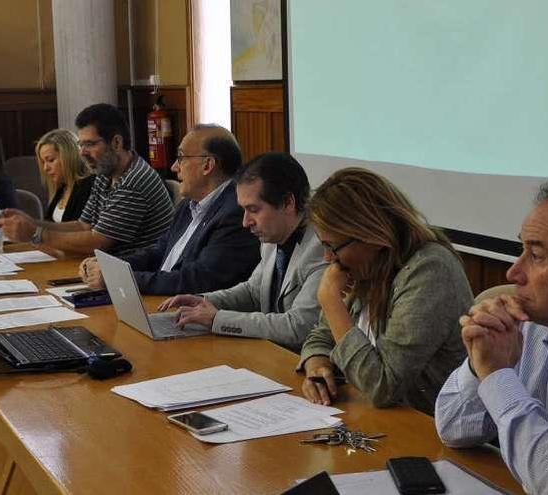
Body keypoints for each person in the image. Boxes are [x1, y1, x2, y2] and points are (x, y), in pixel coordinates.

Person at [435, 175, 548, 494]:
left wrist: (497, 374)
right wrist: (480, 364)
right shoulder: (530, 326)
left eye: (536, 256)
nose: (513, 273)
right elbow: (452, 426)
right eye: (521, 251)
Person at [297, 168, 472, 415]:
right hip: (372, 418)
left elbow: (384, 386)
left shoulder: (429, 271)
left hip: (429, 428)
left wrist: (330, 301)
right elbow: (322, 337)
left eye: (332, 246)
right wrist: (317, 365)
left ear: (371, 236)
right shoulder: (364, 268)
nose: (328, 258)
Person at [159, 152, 324, 352]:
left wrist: (217, 319)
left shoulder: (322, 247)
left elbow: (299, 327)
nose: (245, 222)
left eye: (253, 210)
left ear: (288, 203)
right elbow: (254, 292)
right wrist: (204, 301)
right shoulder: (273, 233)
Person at [77, 124, 259, 295]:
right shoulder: (189, 205)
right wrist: (110, 267)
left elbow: (198, 280)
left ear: (207, 165)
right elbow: (158, 252)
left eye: (181, 158)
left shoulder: (235, 212)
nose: (174, 167)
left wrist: (119, 279)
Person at [0, 103, 174, 256]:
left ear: (116, 143)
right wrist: (31, 222)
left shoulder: (134, 181)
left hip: (139, 278)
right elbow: (83, 226)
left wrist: (35, 233)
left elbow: (97, 242)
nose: (82, 152)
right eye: (80, 145)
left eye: (90, 144)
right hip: (109, 272)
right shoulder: (104, 173)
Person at [36, 128, 94, 222]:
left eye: (50, 160)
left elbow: (79, 230)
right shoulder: (62, 187)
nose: (45, 168)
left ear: (68, 157)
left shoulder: (89, 187)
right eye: (43, 162)